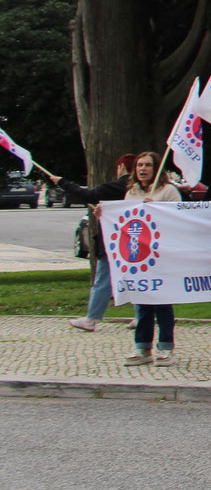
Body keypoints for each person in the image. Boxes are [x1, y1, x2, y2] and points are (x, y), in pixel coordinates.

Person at [56, 151, 190, 365]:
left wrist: (156, 209)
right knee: (142, 303)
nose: (143, 169)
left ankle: (166, 348)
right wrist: (106, 215)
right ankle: (143, 348)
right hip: (140, 256)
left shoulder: (168, 191)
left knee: (162, 304)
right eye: (139, 165)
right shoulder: (131, 192)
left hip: (161, 255)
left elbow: (178, 219)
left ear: (157, 169)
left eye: (147, 165)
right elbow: (127, 222)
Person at [61, 152, 135, 333]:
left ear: (121, 167)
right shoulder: (137, 190)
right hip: (134, 242)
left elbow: (86, 194)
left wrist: (62, 182)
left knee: (103, 279)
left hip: (112, 242)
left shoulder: (115, 187)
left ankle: (91, 318)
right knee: (135, 277)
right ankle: (142, 315)